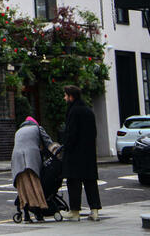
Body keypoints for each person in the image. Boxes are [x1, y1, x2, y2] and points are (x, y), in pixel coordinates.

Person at [62, 85, 101, 221]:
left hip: (75, 153)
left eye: (66, 95)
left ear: (71, 97)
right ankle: (94, 211)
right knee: (90, 181)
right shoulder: (88, 111)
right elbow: (94, 132)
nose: (65, 98)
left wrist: (66, 147)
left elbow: (71, 134)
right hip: (89, 153)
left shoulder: (73, 111)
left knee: (73, 182)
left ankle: (75, 212)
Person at [12, 115, 55, 223]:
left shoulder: (18, 131)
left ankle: (26, 215)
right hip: (31, 157)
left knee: (23, 186)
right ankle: (38, 212)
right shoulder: (37, 128)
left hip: (17, 159)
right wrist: (57, 152)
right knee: (34, 184)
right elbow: (49, 143)